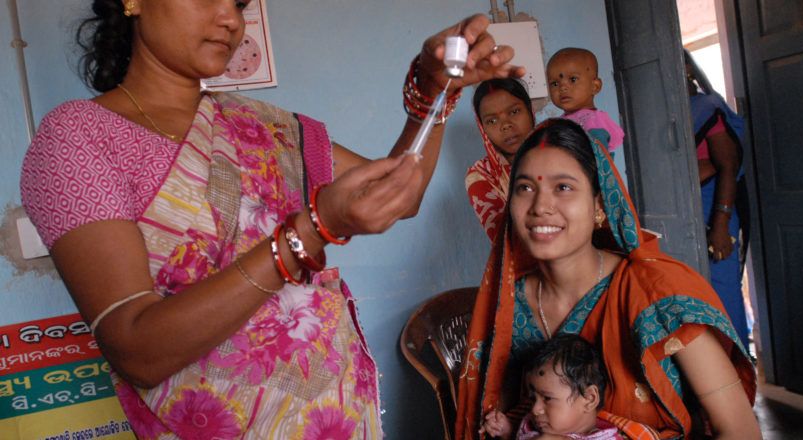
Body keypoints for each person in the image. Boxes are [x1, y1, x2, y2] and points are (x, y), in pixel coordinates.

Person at [19, 1, 524, 438]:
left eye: (238, 3)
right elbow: (135, 350)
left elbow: (397, 196)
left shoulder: (265, 126)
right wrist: (309, 232)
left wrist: (431, 93)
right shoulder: (78, 139)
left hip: (340, 422)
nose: (230, 20)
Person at [456, 119, 761, 439]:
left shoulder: (658, 295)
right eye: (525, 188)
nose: (540, 207)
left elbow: (741, 431)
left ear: (599, 206)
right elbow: (496, 423)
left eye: (563, 187)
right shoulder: (509, 306)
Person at [683, 50, 750, 345]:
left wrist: (721, 225)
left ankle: (737, 376)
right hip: (683, 213)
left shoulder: (706, 107)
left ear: (686, 69)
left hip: (715, 208)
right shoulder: (668, 113)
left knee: (724, 296)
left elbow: (728, 166)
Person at [481, 334, 660, 440]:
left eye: (547, 398)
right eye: (533, 398)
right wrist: (508, 430)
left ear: (589, 399)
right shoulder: (532, 425)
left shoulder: (606, 437)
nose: (535, 409)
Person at [465, 78, 536, 241]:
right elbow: (505, 240)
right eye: (492, 120)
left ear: (530, 110)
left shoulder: (561, 154)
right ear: (482, 128)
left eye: (514, 112)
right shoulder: (481, 175)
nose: (505, 125)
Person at [546, 48, 625, 154]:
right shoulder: (560, 122)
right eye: (555, 83)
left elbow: (598, 163)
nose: (563, 87)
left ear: (595, 86)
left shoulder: (594, 124)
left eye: (573, 79)